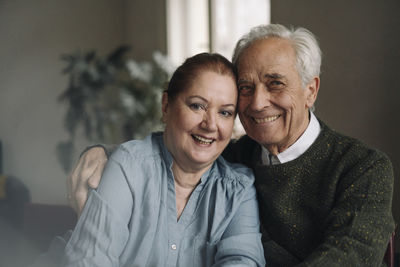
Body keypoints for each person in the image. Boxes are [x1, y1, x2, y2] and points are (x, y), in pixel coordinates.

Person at [68, 24, 395, 266]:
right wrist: (104, 153)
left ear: (311, 90)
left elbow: (349, 255)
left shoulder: (362, 166)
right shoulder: (237, 155)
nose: (257, 103)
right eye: (246, 88)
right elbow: (173, 150)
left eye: (275, 84)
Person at [33, 53, 266, 267]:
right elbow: (92, 260)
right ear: (166, 106)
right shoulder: (129, 165)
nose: (210, 125)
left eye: (224, 112)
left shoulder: (239, 190)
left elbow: (242, 261)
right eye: (197, 106)